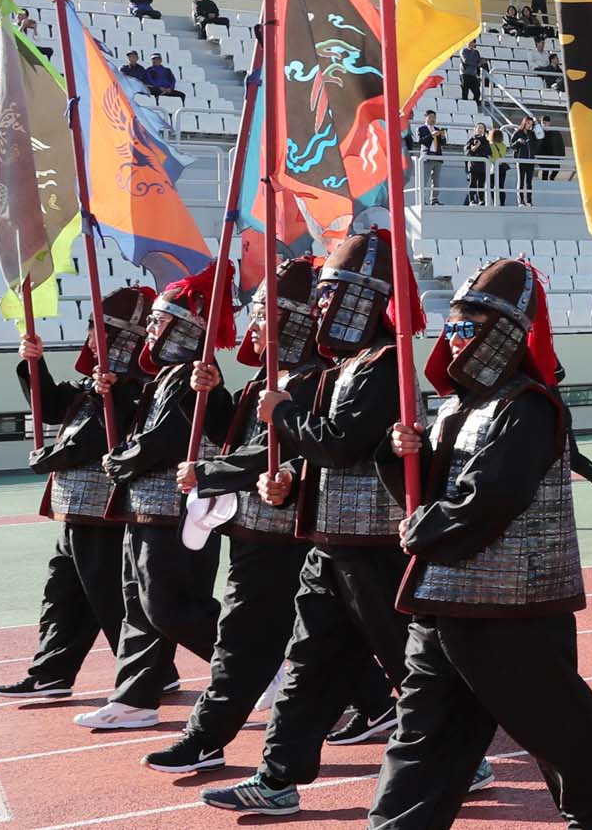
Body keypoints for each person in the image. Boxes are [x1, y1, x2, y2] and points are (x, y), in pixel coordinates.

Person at [371, 259, 592, 830]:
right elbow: (423, 498)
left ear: (504, 333)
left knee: (563, 736)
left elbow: (488, 501)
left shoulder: (529, 408)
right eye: (454, 326)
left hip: (512, 609)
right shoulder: (456, 407)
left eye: (469, 327)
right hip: (443, 606)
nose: (456, 337)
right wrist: (399, 455)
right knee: (422, 744)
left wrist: (422, 531)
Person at [205, 233, 429, 816]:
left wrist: (284, 414)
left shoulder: (386, 366)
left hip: (376, 544)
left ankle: (460, 756)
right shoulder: (344, 367)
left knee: (409, 660)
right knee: (308, 664)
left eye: (335, 296)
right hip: (330, 541)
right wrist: (283, 485)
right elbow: (318, 458)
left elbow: (341, 444)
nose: (323, 308)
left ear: (364, 301)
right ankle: (278, 778)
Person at [144, 259, 325, 773]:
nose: (256, 325)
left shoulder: (314, 380)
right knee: (259, 639)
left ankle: (438, 737)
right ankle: (208, 738)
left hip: (294, 533)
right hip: (259, 532)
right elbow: (240, 439)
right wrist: (215, 392)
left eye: (267, 315)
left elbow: (275, 452)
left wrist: (207, 473)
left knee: (327, 640)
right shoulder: (272, 380)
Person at [0, 289, 160, 703]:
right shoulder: (93, 387)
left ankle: (151, 673)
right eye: (92, 329)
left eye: (101, 332)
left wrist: (48, 458)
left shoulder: (138, 391)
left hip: (106, 510)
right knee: (63, 593)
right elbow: (50, 406)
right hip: (75, 509)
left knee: (110, 598)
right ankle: (52, 671)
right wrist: (34, 362)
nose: (91, 338)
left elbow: (92, 442)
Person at [92, 269, 231, 731]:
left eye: (157, 322)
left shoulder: (195, 378)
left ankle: (255, 666)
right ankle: (135, 697)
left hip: (176, 511)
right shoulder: (167, 376)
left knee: (168, 605)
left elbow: (170, 437)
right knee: (138, 603)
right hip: (147, 506)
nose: (149, 331)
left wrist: (124, 459)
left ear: (184, 327)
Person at [413, 111, 448, 205]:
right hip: (427, 157)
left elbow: (443, 143)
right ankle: (422, 200)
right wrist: (432, 135)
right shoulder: (421, 129)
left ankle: (434, 199)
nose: (433, 119)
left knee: (436, 180)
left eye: (434, 117)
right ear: (426, 117)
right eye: (431, 117)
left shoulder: (437, 128)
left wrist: (443, 136)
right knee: (424, 180)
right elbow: (421, 141)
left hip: (437, 157)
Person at [462, 125, 491, 206]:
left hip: (482, 166)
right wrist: (475, 146)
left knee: (481, 184)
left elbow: (488, 152)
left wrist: (480, 146)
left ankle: (481, 200)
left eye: (482, 128)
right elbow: (467, 152)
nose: (480, 130)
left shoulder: (486, 141)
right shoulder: (471, 140)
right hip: (473, 165)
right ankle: (472, 200)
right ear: (475, 130)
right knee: (472, 183)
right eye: (479, 128)